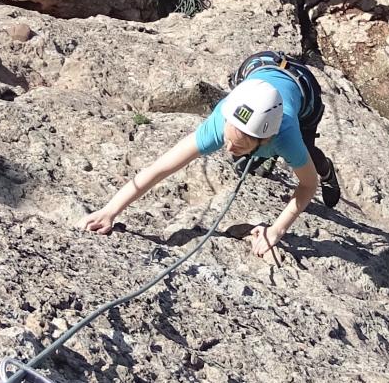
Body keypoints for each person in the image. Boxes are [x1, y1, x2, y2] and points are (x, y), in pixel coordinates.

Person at [81, 51, 341, 259]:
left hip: (302, 88)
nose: (227, 149)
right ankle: (259, 156)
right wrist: (110, 210)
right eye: (228, 140)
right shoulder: (221, 122)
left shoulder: (287, 138)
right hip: (258, 66)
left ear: (267, 139)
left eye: (238, 145)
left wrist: (276, 230)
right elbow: (161, 167)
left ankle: (327, 170)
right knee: (247, 161)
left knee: (307, 154)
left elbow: (308, 185)